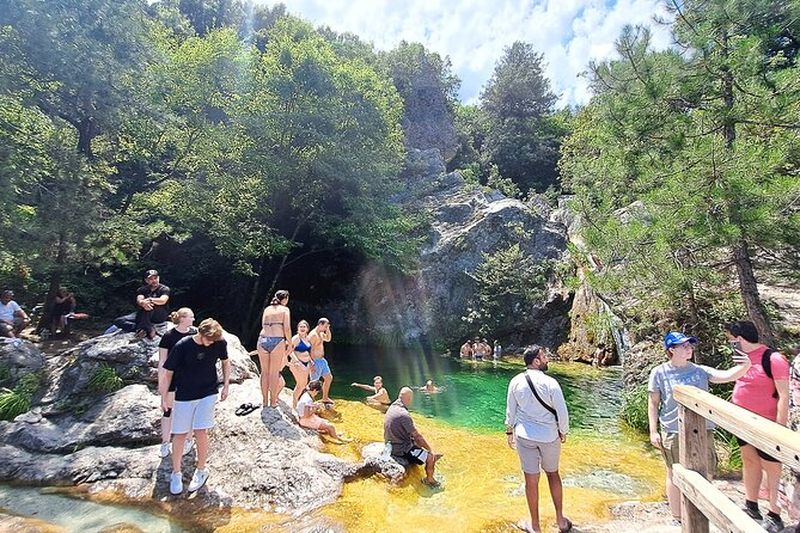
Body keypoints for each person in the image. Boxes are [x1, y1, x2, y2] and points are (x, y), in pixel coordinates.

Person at [647, 331, 752, 524]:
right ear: (672, 350)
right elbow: (653, 403)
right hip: (672, 429)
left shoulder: (700, 371)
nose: (689, 349)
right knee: (673, 471)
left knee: (706, 471)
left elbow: (726, 376)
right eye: (684, 346)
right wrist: (653, 431)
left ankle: (701, 509)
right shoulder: (659, 372)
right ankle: (677, 516)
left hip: (703, 430)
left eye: (690, 345)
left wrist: (745, 366)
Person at [726, 320, 789, 532]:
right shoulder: (742, 359)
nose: (730, 344)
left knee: (772, 468)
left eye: (732, 340)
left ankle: (774, 513)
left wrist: (779, 428)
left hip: (767, 424)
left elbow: (784, 396)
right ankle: (751, 504)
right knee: (749, 461)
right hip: (743, 422)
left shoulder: (773, 359)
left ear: (740, 339)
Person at [505, 346, 571, 533]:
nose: (547, 359)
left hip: (525, 436)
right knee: (553, 474)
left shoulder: (516, 381)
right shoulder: (551, 383)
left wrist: (509, 431)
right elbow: (562, 412)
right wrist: (563, 431)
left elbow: (511, 410)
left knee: (531, 481)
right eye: (544, 357)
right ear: (536, 361)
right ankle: (561, 521)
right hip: (549, 436)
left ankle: (534, 526)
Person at [160, 318, 230, 495]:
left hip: (208, 392)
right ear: (201, 334)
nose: (211, 344)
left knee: (201, 431)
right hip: (184, 393)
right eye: (209, 340)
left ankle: (201, 470)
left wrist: (226, 384)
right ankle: (176, 472)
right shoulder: (183, 345)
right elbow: (168, 373)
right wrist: (164, 396)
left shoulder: (219, 342)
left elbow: (225, 361)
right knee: (180, 433)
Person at [157, 308, 197, 459]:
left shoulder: (194, 334)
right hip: (172, 376)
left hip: (190, 377)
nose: (193, 320)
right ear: (182, 319)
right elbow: (162, 361)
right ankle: (165, 442)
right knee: (168, 410)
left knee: (190, 410)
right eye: (191, 317)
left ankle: (189, 439)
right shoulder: (169, 336)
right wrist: (162, 383)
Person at [384, 387, 443, 487]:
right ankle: (429, 479)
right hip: (400, 449)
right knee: (430, 457)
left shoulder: (392, 407)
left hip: (390, 444)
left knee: (416, 443)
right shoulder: (404, 414)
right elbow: (417, 436)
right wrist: (430, 450)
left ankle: (425, 457)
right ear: (409, 399)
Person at [257, 290, 291, 408]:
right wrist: (290, 343)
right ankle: (272, 401)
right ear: (285, 299)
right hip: (277, 340)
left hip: (262, 339)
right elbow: (287, 328)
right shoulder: (285, 309)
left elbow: (263, 325)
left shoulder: (267, 309)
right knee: (274, 372)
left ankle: (265, 401)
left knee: (264, 372)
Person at [135, 270, 170, 340]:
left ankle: (145, 328)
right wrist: (143, 303)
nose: (154, 280)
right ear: (146, 280)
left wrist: (149, 300)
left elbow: (163, 300)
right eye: (150, 279)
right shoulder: (142, 289)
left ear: (159, 278)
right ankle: (146, 328)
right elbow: (139, 300)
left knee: (149, 305)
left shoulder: (164, 289)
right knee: (120, 321)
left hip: (159, 314)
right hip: (144, 313)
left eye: (155, 278)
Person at [309, 318, 334, 405]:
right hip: (315, 361)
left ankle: (325, 397)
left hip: (322, 360)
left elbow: (328, 339)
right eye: (325, 326)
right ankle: (310, 402)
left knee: (329, 378)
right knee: (314, 383)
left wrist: (328, 329)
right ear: (320, 324)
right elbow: (309, 350)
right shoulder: (313, 335)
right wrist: (311, 363)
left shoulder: (321, 333)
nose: (326, 328)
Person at [288, 319, 313, 408]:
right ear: (298, 329)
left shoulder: (307, 338)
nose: (302, 328)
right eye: (300, 327)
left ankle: (298, 403)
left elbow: (308, 352)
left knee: (304, 384)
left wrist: (310, 361)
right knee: (300, 385)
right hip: (297, 364)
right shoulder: (296, 338)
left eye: (304, 327)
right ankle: (294, 405)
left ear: (307, 329)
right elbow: (289, 351)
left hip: (306, 364)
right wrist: (297, 362)